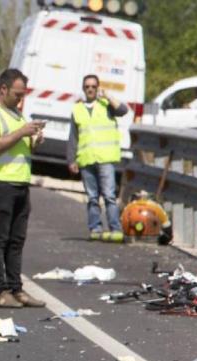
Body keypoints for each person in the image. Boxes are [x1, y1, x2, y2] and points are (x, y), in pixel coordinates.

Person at [0, 68, 46, 309]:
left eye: (23, 95)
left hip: (19, 184)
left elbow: (19, 146)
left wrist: (33, 139)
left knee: (17, 240)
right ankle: (1, 291)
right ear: (3, 89)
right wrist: (22, 132)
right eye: (17, 94)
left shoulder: (15, 113)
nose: (20, 99)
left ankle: (17, 289)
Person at [67, 74, 127, 242]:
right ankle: (96, 228)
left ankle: (115, 228)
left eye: (93, 86)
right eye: (87, 87)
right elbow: (73, 137)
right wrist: (71, 160)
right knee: (92, 197)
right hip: (86, 159)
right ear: (83, 89)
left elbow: (123, 110)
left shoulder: (106, 105)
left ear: (98, 87)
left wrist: (107, 95)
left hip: (105, 158)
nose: (90, 89)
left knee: (109, 195)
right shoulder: (77, 109)